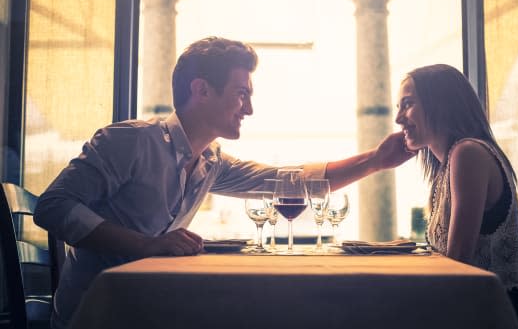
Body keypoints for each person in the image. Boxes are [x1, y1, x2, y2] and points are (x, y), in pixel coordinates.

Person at [33, 36, 412, 329]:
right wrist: (147, 245)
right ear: (201, 90)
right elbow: (53, 206)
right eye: (241, 94)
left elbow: (287, 180)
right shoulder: (128, 141)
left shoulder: (211, 160)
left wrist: (376, 161)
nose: (248, 109)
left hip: (146, 307)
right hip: (97, 316)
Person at [393, 64, 518, 329]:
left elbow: (458, 261)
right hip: (476, 310)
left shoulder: (468, 153)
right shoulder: (448, 165)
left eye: (408, 104)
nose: (399, 119)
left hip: (496, 316)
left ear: (439, 103)